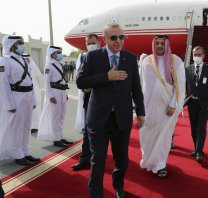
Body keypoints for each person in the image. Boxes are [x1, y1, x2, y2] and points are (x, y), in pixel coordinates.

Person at [76, 23, 145, 198]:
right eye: (113, 37)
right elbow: (81, 81)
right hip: (98, 118)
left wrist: (141, 111)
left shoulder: (130, 58)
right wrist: (106, 77)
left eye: (122, 37)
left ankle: (118, 184)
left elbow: (136, 88)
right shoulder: (92, 57)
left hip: (121, 119)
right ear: (104, 39)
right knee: (97, 161)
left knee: (122, 160)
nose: (118, 41)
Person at [139, 35, 186, 177]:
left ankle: (160, 165)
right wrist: (139, 107)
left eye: (162, 43)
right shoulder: (146, 61)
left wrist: (173, 104)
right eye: (157, 43)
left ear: (167, 45)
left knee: (164, 136)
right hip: (149, 107)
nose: (159, 46)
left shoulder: (175, 61)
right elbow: (141, 85)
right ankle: (149, 160)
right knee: (147, 135)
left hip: (167, 108)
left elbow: (180, 85)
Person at [0, 35, 40, 166]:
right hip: (16, 97)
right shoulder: (5, 61)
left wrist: (33, 99)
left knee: (26, 126)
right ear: (11, 45)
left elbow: (30, 81)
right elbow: (3, 84)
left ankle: (25, 151)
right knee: (17, 127)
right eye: (20, 43)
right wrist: (8, 103)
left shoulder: (24, 60)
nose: (23, 45)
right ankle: (17, 154)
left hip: (27, 96)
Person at [72, 33, 100, 171]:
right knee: (87, 131)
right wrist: (84, 87)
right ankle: (84, 159)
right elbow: (80, 78)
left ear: (99, 43)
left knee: (103, 132)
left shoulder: (105, 56)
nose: (90, 46)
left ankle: (99, 160)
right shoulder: (83, 57)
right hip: (88, 98)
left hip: (102, 99)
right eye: (88, 43)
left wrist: (92, 84)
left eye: (93, 43)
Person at [185, 46, 208, 162]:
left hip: (204, 104)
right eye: (195, 55)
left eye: (199, 55)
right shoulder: (187, 69)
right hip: (192, 103)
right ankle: (196, 147)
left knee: (201, 127)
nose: (197, 57)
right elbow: (185, 87)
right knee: (193, 127)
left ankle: (199, 151)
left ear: (203, 56)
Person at [37, 46, 72, 147]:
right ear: (52, 54)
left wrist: (65, 93)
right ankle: (56, 139)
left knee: (61, 115)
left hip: (62, 91)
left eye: (60, 52)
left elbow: (63, 80)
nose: (60, 54)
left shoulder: (60, 65)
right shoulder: (49, 66)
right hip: (54, 93)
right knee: (55, 117)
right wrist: (50, 96)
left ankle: (60, 136)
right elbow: (47, 82)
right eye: (58, 52)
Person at [22, 54, 43, 134]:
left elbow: (39, 78)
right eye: (25, 59)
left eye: (28, 58)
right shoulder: (21, 67)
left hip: (35, 91)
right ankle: (29, 126)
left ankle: (36, 125)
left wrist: (40, 89)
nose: (27, 60)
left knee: (36, 108)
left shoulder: (34, 68)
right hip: (25, 92)